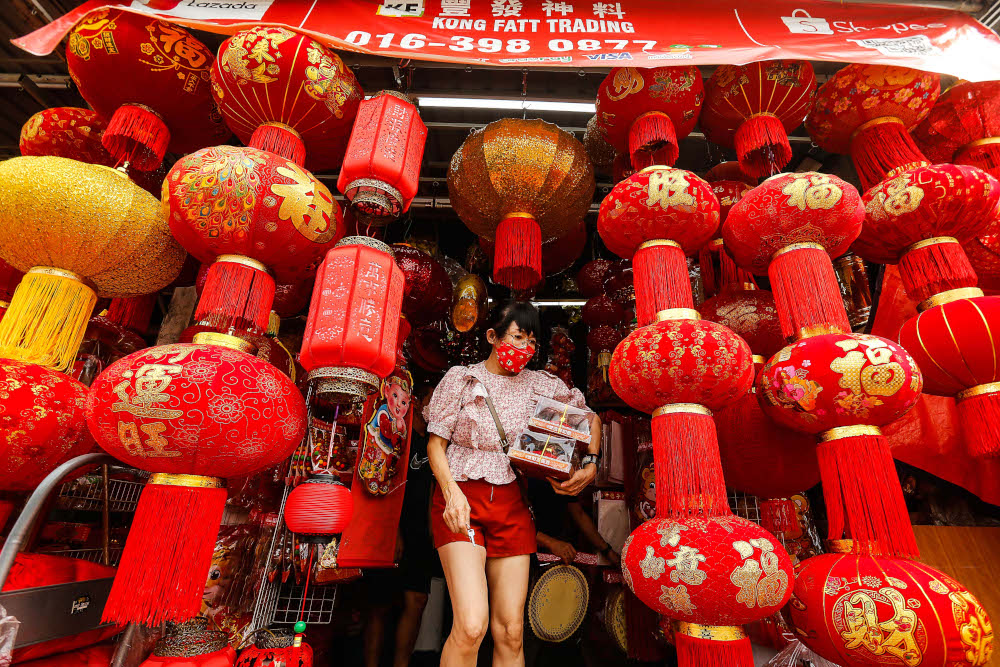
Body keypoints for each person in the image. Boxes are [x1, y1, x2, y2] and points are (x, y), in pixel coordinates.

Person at [424, 302, 603, 667]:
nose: (524, 348)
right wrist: (450, 492)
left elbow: (591, 419)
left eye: (532, 342)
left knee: (510, 630)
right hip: (460, 498)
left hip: (511, 502)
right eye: (517, 337)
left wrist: (591, 464)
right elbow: (435, 444)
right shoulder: (463, 378)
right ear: (492, 336)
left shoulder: (542, 384)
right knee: (472, 625)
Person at [363, 380, 440, 667]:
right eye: (433, 397)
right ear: (417, 401)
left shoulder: (435, 446)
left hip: (420, 533)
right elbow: (384, 483)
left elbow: (432, 493)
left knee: (417, 601)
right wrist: (392, 531)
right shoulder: (398, 436)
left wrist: (433, 537)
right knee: (380, 605)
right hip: (391, 527)